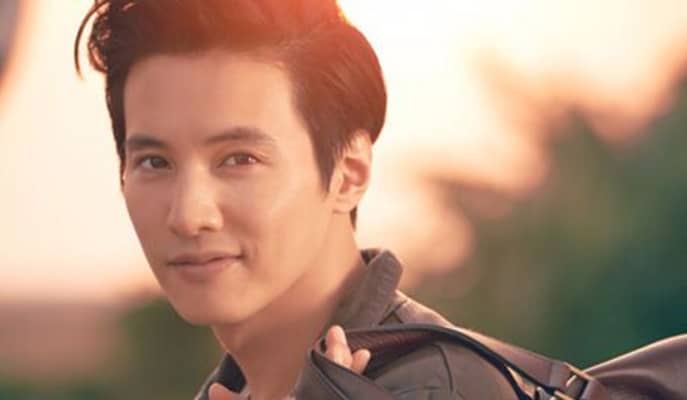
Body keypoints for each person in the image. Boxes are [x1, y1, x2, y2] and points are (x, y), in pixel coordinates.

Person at [74, 1, 518, 399]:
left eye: (239, 159)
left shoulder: (435, 389)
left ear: (349, 173)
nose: (188, 215)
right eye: (155, 162)